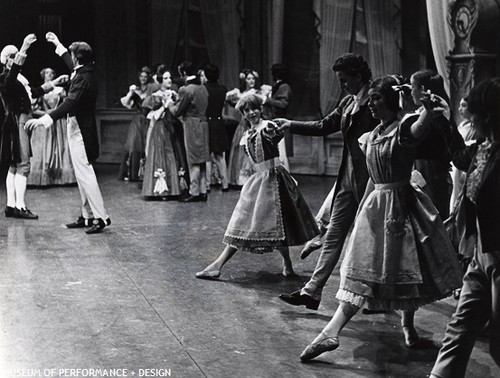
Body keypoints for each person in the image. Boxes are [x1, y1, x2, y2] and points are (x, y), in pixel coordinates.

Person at [299, 76, 463, 363]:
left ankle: (403, 326)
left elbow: (418, 127)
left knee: (407, 271)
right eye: (371, 98)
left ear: (389, 100)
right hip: (376, 209)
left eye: (376, 98)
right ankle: (332, 331)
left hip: (401, 210)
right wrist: (362, 211)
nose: (371, 104)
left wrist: (427, 110)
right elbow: (372, 182)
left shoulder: (403, 129)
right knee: (363, 275)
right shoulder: (371, 135)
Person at [276, 53, 378, 311]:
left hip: (372, 180)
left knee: (369, 238)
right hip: (347, 178)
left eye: (345, 80)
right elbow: (324, 125)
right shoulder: (347, 102)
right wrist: (290, 124)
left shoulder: (376, 100)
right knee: (333, 235)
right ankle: (312, 290)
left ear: (358, 76)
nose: (342, 85)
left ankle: (378, 296)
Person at [195, 94, 319, 279]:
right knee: (249, 223)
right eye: (247, 110)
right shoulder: (246, 135)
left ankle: (285, 265)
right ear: (243, 114)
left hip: (274, 180)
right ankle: (218, 265)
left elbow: (276, 140)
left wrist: (273, 137)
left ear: (260, 109)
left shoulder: (267, 127)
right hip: (258, 181)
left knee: (278, 225)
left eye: (254, 108)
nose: (251, 113)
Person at [430, 78, 500, 378]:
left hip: (498, 256)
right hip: (481, 254)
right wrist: (446, 119)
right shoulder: (484, 148)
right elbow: (459, 157)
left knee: (498, 344)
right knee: (460, 326)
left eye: (475, 116)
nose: (470, 121)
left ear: (488, 116)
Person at [25, 32, 110, 234]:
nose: (70, 58)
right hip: (75, 126)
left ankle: (101, 217)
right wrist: (57, 44)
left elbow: (70, 103)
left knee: (86, 173)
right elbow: (72, 65)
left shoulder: (83, 78)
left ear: (77, 58)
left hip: (81, 129)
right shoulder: (84, 70)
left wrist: (43, 120)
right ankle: (88, 216)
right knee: (81, 174)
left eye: (72, 55)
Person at [409, 70, 461, 220]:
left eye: (413, 87)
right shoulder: (426, 112)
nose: (411, 92)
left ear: (423, 90)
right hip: (423, 169)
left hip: (431, 173)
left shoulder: (437, 114)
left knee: (432, 217)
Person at [1, 35, 40, 219]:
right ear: (6, 60)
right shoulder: (5, 78)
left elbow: (32, 92)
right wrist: (23, 47)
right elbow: (11, 79)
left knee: (15, 164)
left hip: (21, 119)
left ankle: (11, 206)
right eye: (13, 56)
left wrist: (54, 84)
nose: (16, 58)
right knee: (23, 164)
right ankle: (20, 207)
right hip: (17, 121)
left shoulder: (18, 78)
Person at [167, 64, 210, 202]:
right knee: (202, 159)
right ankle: (203, 190)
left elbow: (177, 111)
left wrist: (170, 104)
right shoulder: (203, 87)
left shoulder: (186, 89)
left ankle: (194, 191)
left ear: (184, 73)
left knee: (193, 160)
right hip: (203, 124)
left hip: (192, 125)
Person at [29, 67, 76, 186]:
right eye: (47, 73)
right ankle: (42, 177)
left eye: (52, 73)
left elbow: (68, 104)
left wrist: (63, 99)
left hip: (58, 122)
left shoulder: (59, 90)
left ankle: (61, 177)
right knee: (43, 148)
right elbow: (34, 109)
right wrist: (47, 114)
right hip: (44, 124)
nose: (50, 74)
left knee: (60, 147)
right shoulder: (40, 91)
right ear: (43, 75)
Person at [141, 71, 182, 199]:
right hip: (160, 128)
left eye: (170, 77)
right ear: (161, 81)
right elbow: (148, 109)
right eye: (165, 78)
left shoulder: (174, 95)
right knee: (160, 154)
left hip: (172, 128)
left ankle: (172, 188)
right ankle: (159, 189)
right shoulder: (156, 95)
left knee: (171, 154)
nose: (169, 80)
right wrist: (163, 105)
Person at [118, 66, 159, 181]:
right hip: (137, 120)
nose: (143, 79)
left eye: (145, 77)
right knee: (135, 145)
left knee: (148, 143)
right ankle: (134, 173)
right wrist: (131, 92)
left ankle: (147, 172)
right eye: (141, 76)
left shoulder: (152, 88)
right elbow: (126, 103)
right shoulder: (135, 89)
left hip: (149, 119)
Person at [226, 68, 259, 187]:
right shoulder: (241, 94)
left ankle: (253, 179)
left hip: (253, 124)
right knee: (241, 150)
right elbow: (231, 101)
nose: (251, 81)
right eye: (249, 79)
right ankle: (240, 180)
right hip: (242, 125)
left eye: (253, 78)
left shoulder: (257, 93)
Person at [203, 64, 230, 192]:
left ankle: (207, 185)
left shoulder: (203, 89)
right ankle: (225, 183)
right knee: (220, 155)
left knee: (207, 155)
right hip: (219, 122)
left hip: (207, 122)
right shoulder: (223, 89)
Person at [450, 96, 477, 210]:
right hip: (458, 163)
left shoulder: (477, 130)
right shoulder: (463, 125)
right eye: (459, 105)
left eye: (464, 106)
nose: (460, 109)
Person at [262, 63, 293, 158]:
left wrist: (268, 100)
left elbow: (283, 104)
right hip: (275, 122)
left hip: (282, 122)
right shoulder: (277, 86)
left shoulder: (284, 87)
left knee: (281, 153)